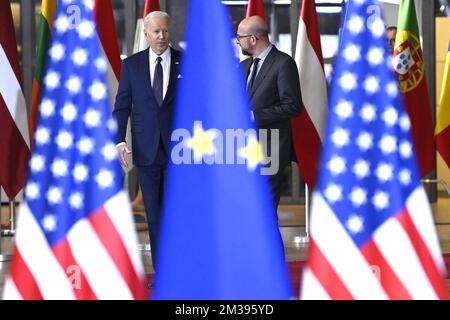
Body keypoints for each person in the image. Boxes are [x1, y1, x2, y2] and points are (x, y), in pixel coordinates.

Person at [113, 11, 181, 278]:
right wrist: (119, 139)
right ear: (146, 34)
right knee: (154, 214)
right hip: (146, 150)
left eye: (165, 31)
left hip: (181, 152)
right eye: (156, 32)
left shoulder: (186, 62)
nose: (162, 37)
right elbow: (122, 108)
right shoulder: (132, 65)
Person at [236, 16, 301, 211]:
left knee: (265, 212)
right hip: (242, 149)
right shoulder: (244, 66)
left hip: (270, 148)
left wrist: (254, 116)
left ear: (253, 39)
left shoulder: (283, 63)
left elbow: (292, 106)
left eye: (239, 37)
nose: (237, 41)